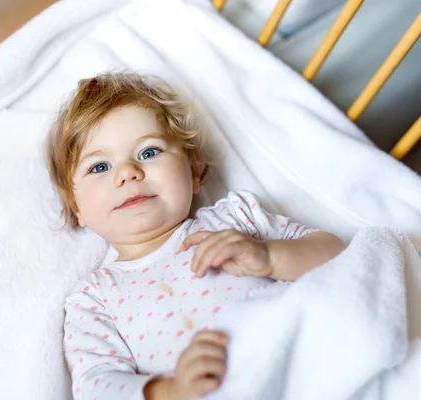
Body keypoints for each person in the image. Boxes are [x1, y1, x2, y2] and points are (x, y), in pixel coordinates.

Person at [46, 72, 345, 400]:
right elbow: (95, 385)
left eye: (148, 152)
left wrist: (269, 257)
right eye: (99, 167)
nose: (127, 173)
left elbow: (335, 253)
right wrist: (173, 389)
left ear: (193, 170)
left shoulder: (234, 220)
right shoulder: (94, 297)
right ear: (77, 207)